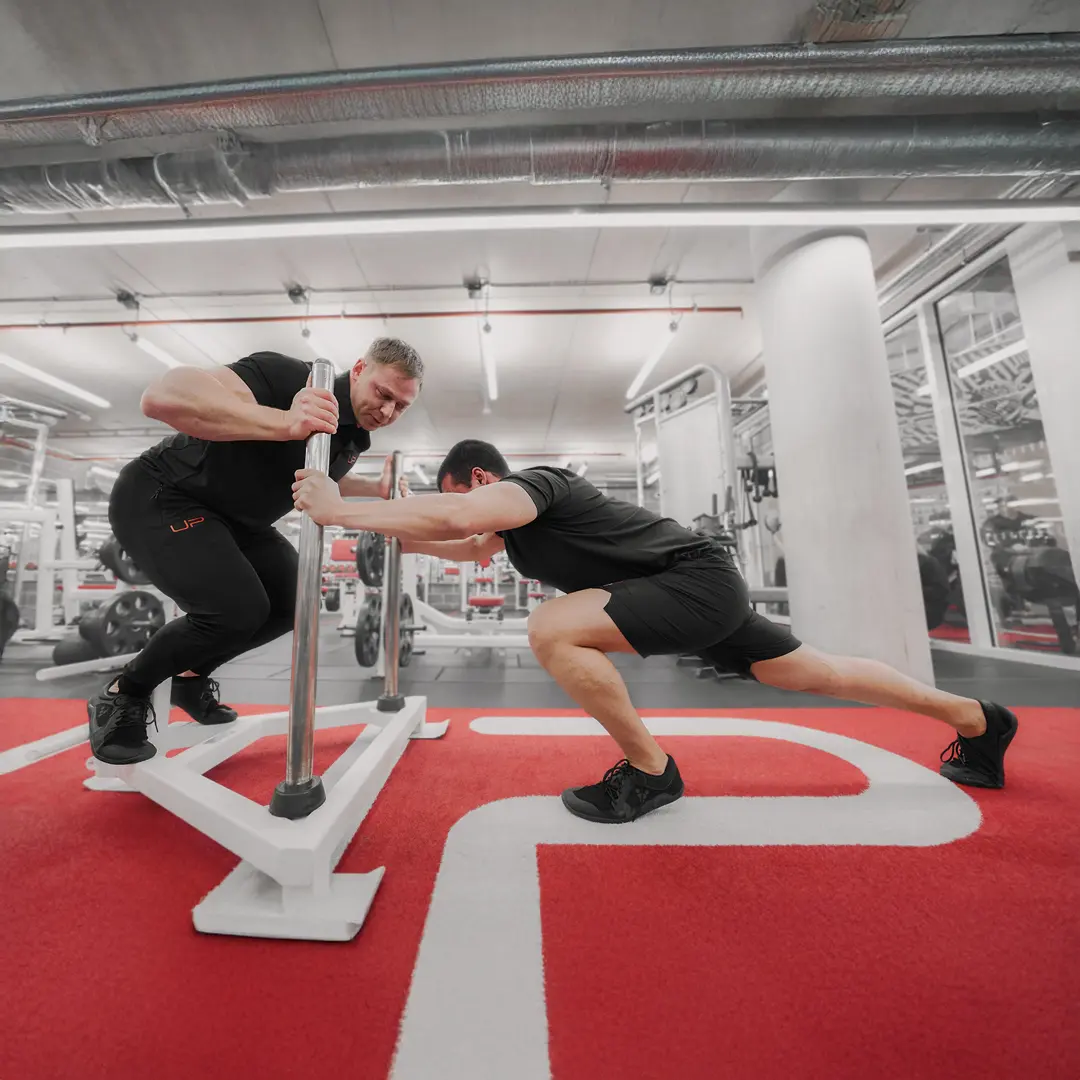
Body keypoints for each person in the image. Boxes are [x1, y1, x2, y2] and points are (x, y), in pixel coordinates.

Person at [292, 438, 1019, 824]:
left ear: (482, 481)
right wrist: (393, 537)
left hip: (695, 583)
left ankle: (649, 773)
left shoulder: (536, 486)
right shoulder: (512, 533)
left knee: (551, 627)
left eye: (463, 499)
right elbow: (455, 540)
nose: (469, 516)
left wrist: (339, 509)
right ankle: (980, 721)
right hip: (697, 592)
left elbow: (455, 519)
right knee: (817, 672)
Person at [87, 340, 423, 766]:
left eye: (402, 406)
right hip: (162, 495)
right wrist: (285, 421)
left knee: (294, 604)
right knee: (235, 610)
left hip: (240, 521)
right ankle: (123, 694)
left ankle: (191, 677)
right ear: (358, 369)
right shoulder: (286, 377)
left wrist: (375, 489)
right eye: (384, 394)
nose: (389, 412)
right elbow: (162, 396)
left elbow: (311, 469)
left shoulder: (355, 437)